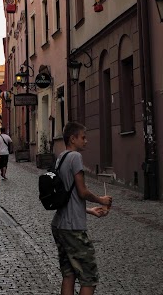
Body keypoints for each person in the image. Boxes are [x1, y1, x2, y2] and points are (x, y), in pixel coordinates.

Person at [52, 121, 112, 295]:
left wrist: (88, 210)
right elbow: (82, 191)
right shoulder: (75, 157)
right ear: (73, 139)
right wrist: (101, 200)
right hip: (73, 228)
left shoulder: (60, 158)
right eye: (83, 138)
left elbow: (66, 196)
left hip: (59, 225)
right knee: (89, 278)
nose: (86, 141)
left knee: (69, 275)